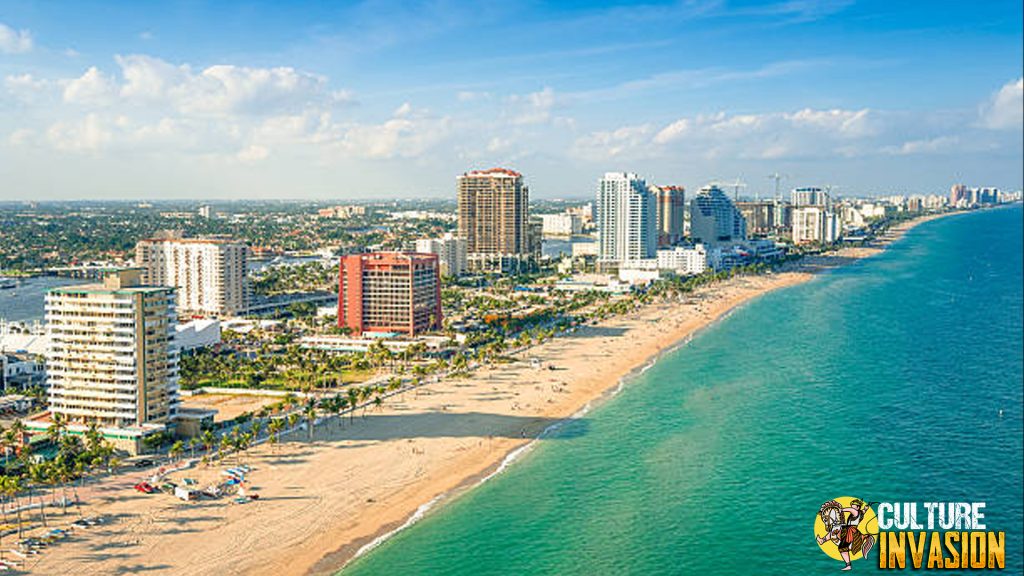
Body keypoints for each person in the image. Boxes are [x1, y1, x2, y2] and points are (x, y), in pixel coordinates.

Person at [817, 499, 866, 571]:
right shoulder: (860, 513)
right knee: (834, 531)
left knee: (842, 548)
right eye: (851, 506)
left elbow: (850, 510)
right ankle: (823, 540)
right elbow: (863, 511)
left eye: (853, 506)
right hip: (848, 528)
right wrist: (865, 509)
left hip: (850, 531)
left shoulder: (855, 512)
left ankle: (848, 565)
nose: (852, 507)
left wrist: (841, 509)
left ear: (858, 507)